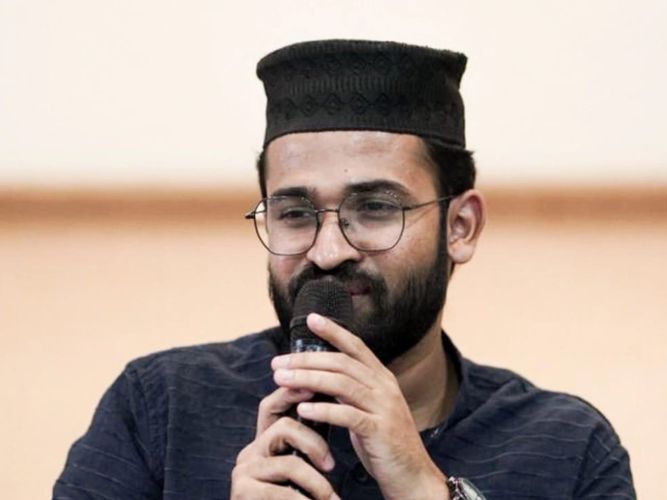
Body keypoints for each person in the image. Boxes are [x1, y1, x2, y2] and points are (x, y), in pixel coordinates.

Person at [53, 39, 636, 500]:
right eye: (295, 214)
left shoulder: (565, 447)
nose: (328, 252)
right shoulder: (162, 406)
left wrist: (426, 490)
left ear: (460, 227)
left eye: (376, 208)